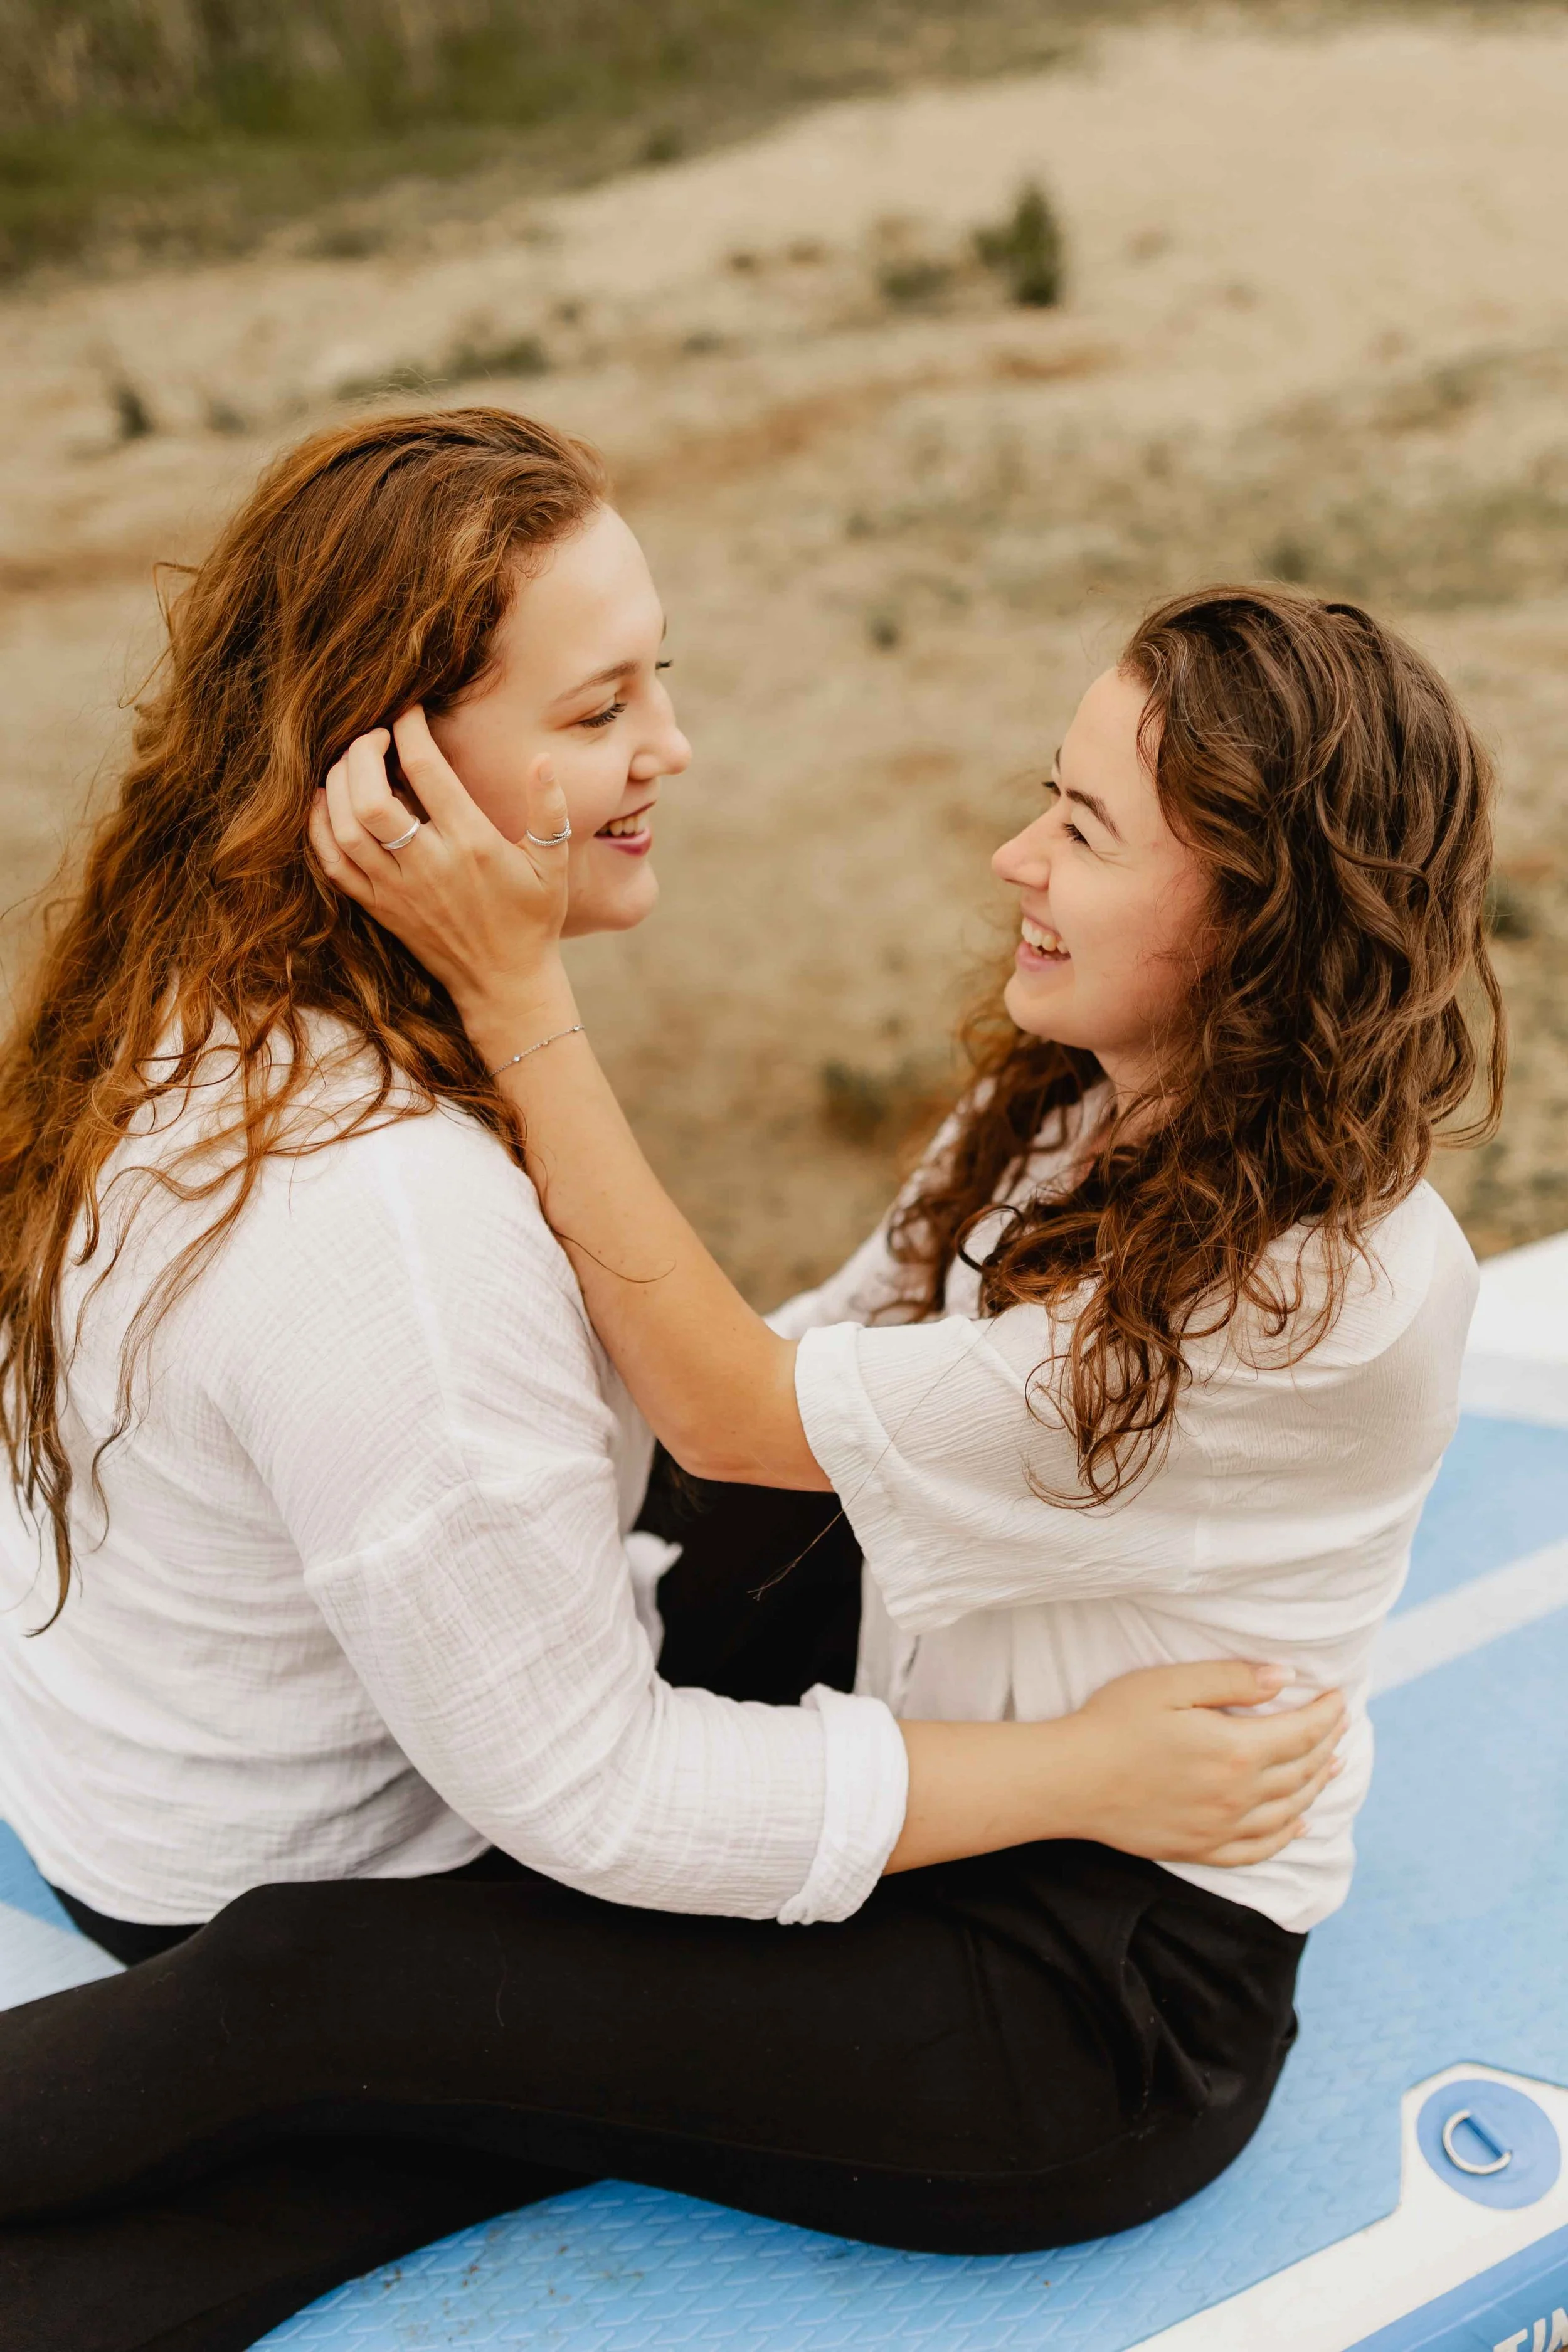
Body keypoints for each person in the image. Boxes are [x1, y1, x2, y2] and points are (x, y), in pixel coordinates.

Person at [0, 410, 1374, 2352]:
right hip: (308, 1845)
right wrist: (1075, 1769)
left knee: (498, 2064)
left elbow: (776, 1394)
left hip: (209, 1773)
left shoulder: (199, 985)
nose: (674, 745)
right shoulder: (389, 1217)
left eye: (664, 676)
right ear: (392, 767)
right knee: (425, 2064)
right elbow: (604, 1763)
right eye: (598, 706)